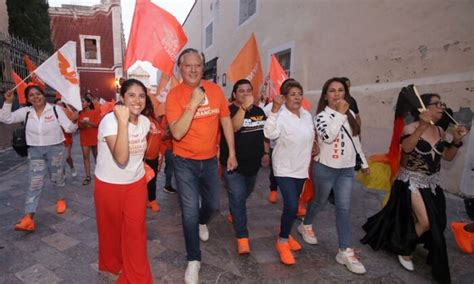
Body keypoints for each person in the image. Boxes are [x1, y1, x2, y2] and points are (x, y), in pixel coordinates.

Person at [361, 93, 468, 283]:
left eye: (442, 103)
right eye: (436, 104)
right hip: (410, 183)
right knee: (426, 221)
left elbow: (448, 157)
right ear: (423, 108)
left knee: (438, 222)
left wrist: (457, 141)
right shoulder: (410, 128)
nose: (441, 107)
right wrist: (422, 126)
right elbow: (408, 148)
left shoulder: (441, 132)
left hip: (432, 185)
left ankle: (405, 238)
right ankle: (404, 249)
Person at [165, 48, 237, 284]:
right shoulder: (175, 96)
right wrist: (193, 103)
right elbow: (176, 132)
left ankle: (202, 222)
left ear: (202, 67)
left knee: (213, 205)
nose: (194, 69)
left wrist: (231, 153)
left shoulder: (215, 90)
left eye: (198, 65)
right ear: (180, 68)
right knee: (189, 212)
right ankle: (193, 260)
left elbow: (225, 119)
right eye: (188, 65)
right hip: (184, 161)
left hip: (209, 161)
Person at [299, 77, 369, 274]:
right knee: (320, 201)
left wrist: (363, 161)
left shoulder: (352, 113)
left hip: (346, 170)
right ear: (325, 96)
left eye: (341, 90)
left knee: (344, 208)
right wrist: (339, 114)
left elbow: (356, 140)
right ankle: (306, 223)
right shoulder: (320, 117)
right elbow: (328, 137)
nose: (337, 94)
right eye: (332, 91)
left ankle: (345, 251)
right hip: (325, 168)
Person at [94, 78, 153, 283]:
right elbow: (121, 157)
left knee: (135, 232)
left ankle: (137, 278)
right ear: (122, 98)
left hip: (135, 184)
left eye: (142, 95)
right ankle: (111, 264)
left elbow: (138, 154)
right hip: (108, 184)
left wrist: (145, 167)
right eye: (131, 95)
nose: (137, 100)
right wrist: (121, 122)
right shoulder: (109, 121)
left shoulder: (146, 123)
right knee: (111, 228)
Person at [1, 83, 78, 231]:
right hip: (35, 151)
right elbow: (6, 118)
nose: (35, 97)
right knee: (34, 182)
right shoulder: (26, 112)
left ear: (43, 95)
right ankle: (29, 218)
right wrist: (8, 101)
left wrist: (75, 121)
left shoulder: (55, 109)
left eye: (38, 94)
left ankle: (60, 199)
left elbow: (68, 128)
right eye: (31, 95)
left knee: (57, 177)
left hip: (55, 149)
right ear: (28, 99)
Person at [263, 79, 314, 265]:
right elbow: (269, 134)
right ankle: (282, 241)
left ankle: (286, 232)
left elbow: (310, 135)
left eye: (299, 94)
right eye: (292, 94)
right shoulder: (280, 114)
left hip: (301, 168)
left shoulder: (307, 115)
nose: (297, 97)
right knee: (292, 205)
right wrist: (275, 111)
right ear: (284, 98)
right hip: (283, 168)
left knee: (291, 207)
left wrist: (314, 145)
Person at [220, 79, 269, 255]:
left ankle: (234, 211)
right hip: (233, 165)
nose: (246, 94)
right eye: (241, 91)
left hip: (253, 165)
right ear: (234, 94)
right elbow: (233, 128)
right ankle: (242, 237)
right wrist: (243, 109)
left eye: (249, 90)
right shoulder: (228, 110)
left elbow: (263, 134)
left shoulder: (259, 111)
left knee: (243, 195)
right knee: (239, 198)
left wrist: (265, 153)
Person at [143, 96, 163, 212]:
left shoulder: (155, 120)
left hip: (154, 156)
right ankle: (145, 200)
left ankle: (152, 200)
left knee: (153, 179)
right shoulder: (141, 119)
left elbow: (161, 135)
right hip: (143, 157)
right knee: (143, 180)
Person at [78, 95, 100, 185]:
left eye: (83, 101)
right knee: (85, 157)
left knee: (97, 157)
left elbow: (97, 124)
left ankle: (99, 173)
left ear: (88, 103)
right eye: (81, 102)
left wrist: (87, 122)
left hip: (94, 137)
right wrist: (82, 124)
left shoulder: (94, 112)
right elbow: (78, 127)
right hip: (84, 137)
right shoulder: (80, 113)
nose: (82, 103)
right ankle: (87, 176)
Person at [55, 98, 77, 177]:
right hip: (57, 138)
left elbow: (72, 124)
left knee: (67, 157)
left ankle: (72, 167)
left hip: (67, 137)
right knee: (60, 158)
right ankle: (62, 174)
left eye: (61, 104)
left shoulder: (67, 113)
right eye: (58, 104)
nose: (60, 105)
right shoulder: (53, 113)